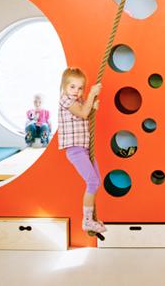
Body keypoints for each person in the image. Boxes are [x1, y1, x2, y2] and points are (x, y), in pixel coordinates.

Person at [58, 67, 105, 234]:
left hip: (83, 148)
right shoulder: (65, 100)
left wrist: (92, 105)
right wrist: (91, 95)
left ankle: (90, 218)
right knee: (92, 182)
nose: (76, 91)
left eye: (80, 88)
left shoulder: (78, 101)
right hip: (75, 150)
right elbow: (84, 114)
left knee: (97, 181)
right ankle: (87, 221)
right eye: (72, 87)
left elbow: (85, 113)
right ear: (64, 86)